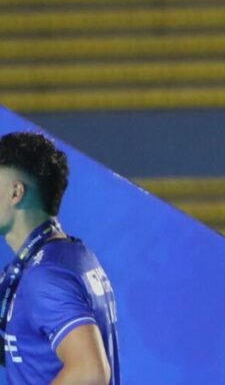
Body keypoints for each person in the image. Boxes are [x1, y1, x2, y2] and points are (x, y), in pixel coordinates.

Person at [0, 132, 119, 384]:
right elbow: (28, 346)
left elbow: (91, 371)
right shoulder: (70, 255)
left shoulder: (44, 277)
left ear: (15, 193)